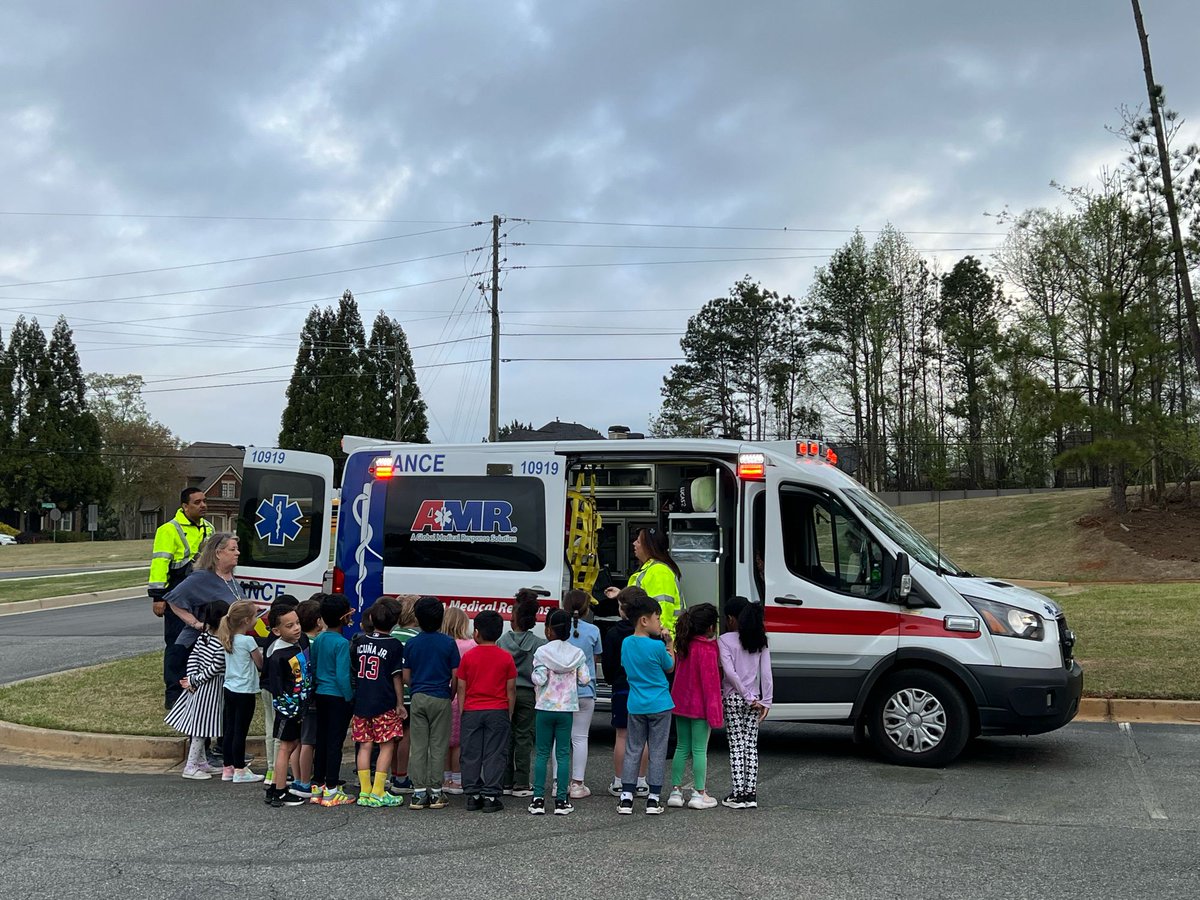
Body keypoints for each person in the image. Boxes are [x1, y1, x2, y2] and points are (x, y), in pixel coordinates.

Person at [164, 532, 243, 768]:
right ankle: (200, 755)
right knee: (203, 702)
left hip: (226, 647)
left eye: (237, 548)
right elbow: (173, 599)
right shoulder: (201, 578)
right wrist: (197, 624)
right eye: (232, 549)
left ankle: (221, 748)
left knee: (221, 700)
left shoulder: (231, 578)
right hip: (199, 647)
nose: (237, 552)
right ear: (218, 553)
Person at [149, 487, 213, 710]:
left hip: (202, 595)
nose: (203, 505)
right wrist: (158, 597)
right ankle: (174, 694)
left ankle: (196, 689)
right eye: (197, 502)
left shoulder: (209, 528)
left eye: (204, 501)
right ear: (185, 506)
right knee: (177, 644)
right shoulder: (169, 530)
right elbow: (160, 564)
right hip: (177, 593)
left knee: (201, 643)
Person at [616, 593, 675, 815]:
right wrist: (669, 645)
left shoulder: (626, 643)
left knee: (633, 748)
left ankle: (626, 797)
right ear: (644, 620)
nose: (659, 623)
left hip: (636, 704)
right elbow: (669, 667)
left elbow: (625, 665)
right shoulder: (657, 647)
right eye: (657, 618)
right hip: (660, 704)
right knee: (658, 750)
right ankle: (653, 798)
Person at [529, 609, 590, 816]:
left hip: (545, 707)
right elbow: (585, 679)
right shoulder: (577, 654)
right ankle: (562, 801)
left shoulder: (542, 652)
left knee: (542, 753)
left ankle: (538, 799)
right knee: (563, 753)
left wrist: (539, 674)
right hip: (566, 709)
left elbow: (539, 679)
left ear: (548, 630)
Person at [402, 596, 460, 810]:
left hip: (418, 696)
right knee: (438, 745)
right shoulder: (448, 643)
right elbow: (456, 675)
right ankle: (436, 792)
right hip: (441, 695)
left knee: (418, 745)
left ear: (416, 618)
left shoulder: (412, 643)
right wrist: (451, 693)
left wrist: (416, 686)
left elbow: (406, 675)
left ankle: (418, 793)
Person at [457, 610, 516, 813]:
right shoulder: (506, 658)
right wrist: (509, 712)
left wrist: (464, 710)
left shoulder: (468, 657)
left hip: (472, 709)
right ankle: (491, 795)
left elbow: (461, 688)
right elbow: (511, 689)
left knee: (471, 752)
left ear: (476, 633)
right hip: (498, 709)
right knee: (495, 753)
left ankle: (473, 794)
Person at [350, 600, 406, 809]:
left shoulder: (359, 641)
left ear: (371, 618)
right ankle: (379, 790)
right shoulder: (393, 645)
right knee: (386, 745)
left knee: (364, 745)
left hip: (362, 701)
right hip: (384, 701)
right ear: (395, 622)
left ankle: (365, 790)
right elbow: (396, 677)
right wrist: (400, 703)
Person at [718, 595, 773, 810]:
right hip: (756, 700)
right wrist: (765, 700)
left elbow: (729, 673)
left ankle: (738, 794)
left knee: (736, 745)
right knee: (751, 745)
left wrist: (744, 695)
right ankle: (751, 794)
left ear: (732, 618)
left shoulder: (724, 640)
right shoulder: (760, 639)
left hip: (733, 698)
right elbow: (766, 673)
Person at [666, 603, 723, 810]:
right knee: (700, 750)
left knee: (681, 747)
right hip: (700, 708)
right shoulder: (708, 649)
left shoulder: (684, 645)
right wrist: (715, 713)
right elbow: (711, 685)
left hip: (681, 704)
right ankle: (699, 793)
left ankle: (675, 791)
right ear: (710, 627)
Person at [165, 599, 230, 779]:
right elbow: (215, 668)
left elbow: (193, 658)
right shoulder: (220, 643)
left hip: (199, 688)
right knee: (200, 730)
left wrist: (192, 678)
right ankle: (191, 766)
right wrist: (195, 679)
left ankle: (201, 762)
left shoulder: (203, 637)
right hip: (207, 692)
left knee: (201, 727)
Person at [601, 586, 649, 797]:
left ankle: (620, 781)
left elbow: (608, 666)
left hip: (621, 687)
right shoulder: (650, 635)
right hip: (644, 689)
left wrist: (612, 680)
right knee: (643, 736)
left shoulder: (612, 634)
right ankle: (641, 781)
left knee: (622, 735)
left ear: (622, 609)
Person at [497, 590, 545, 797]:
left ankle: (505, 780)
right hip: (528, 693)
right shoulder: (539, 644)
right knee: (524, 737)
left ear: (512, 619)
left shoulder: (502, 642)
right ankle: (522, 782)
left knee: (505, 736)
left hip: (505, 692)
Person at [310, 593, 356, 807]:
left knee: (322, 740)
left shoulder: (318, 639)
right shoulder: (342, 643)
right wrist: (350, 697)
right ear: (344, 618)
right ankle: (332, 789)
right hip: (338, 696)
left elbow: (315, 666)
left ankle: (317, 785)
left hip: (320, 693)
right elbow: (342, 675)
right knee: (335, 743)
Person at [264, 604, 312, 808]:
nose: (296, 628)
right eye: (289, 625)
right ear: (277, 631)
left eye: (298, 623)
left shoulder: (296, 645)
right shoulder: (278, 654)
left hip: (298, 704)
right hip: (288, 708)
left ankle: (276, 785)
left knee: (290, 745)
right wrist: (288, 706)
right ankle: (280, 792)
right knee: (285, 747)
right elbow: (276, 685)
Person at [603, 527, 683, 636]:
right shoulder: (652, 569)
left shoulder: (658, 571)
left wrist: (660, 641)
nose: (634, 543)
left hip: (658, 643)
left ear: (648, 547)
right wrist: (621, 594)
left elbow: (662, 611)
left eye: (639, 541)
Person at [217, 600, 264, 784]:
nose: (256, 619)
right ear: (246, 620)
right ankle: (240, 769)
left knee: (229, 728)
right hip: (245, 690)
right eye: (254, 616)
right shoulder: (248, 640)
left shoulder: (228, 638)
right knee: (240, 731)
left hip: (230, 688)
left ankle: (227, 767)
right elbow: (259, 663)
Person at [562, 589, 602, 800]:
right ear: (587, 609)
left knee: (559, 739)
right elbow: (593, 660)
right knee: (580, 737)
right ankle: (577, 784)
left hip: (559, 692)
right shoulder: (593, 631)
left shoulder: (559, 628)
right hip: (585, 689)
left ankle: (557, 783)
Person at [259, 595, 298, 789]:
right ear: (277, 627)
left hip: (268, 688)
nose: (296, 628)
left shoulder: (272, 640)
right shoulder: (279, 648)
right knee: (279, 735)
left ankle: (271, 769)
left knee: (271, 730)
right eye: (289, 625)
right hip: (277, 693)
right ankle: (275, 772)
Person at [387, 594, 420, 794]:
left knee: (391, 736)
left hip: (390, 693)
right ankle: (402, 776)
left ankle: (391, 774)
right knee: (405, 735)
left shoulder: (390, 636)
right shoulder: (415, 638)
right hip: (408, 693)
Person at [441, 606, 476, 795]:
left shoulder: (443, 643)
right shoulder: (470, 645)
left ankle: (445, 777)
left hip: (444, 693)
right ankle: (457, 779)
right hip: (462, 696)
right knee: (460, 742)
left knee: (446, 741)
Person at [292, 597, 324, 798]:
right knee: (308, 742)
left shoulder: (297, 642)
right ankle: (305, 781)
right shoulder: (315, 643)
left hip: (297, 698)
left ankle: (297, 778)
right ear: (318, 620)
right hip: (312, 699)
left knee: (297, 740)